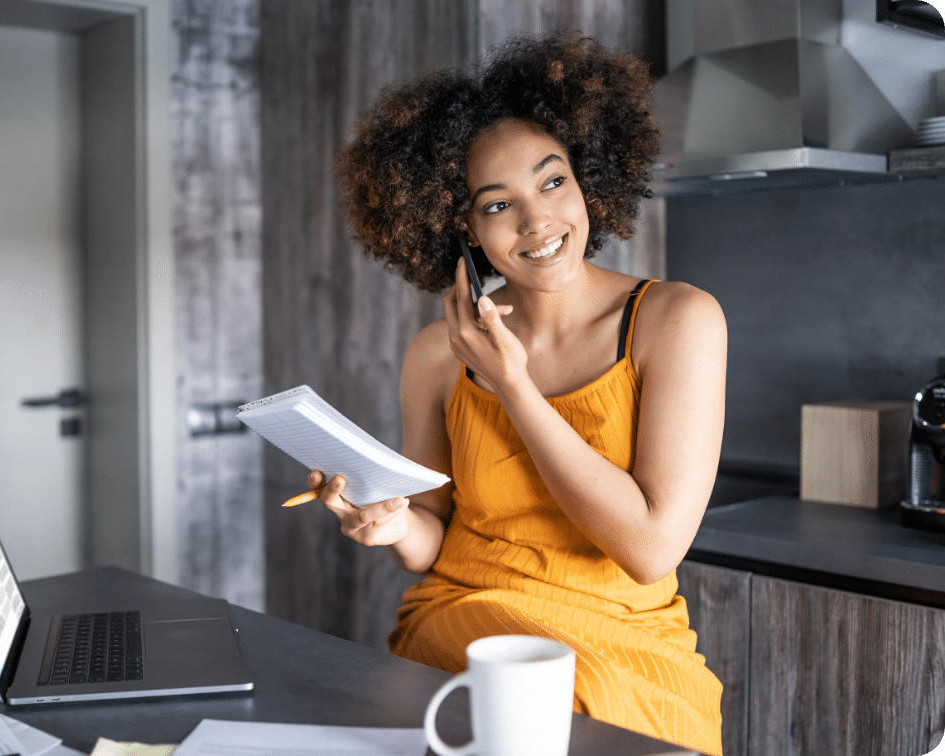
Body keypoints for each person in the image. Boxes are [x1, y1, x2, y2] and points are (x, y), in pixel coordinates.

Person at [309, 29, 726, 756]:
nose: (538, 222)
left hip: (618, 642)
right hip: (460, 623)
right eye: (496, 205)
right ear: (460, 227)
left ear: (587, 176)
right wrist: (389, 525)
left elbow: (650, 549)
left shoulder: (676, 319)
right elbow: (430, 534)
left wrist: (511, 383)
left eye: (551, 180)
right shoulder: (436, 352)